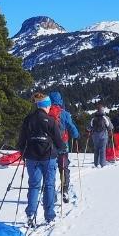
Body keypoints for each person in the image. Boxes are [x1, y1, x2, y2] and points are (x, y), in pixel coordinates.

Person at [17, 92, 64, 227]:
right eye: (49, 105)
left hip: (31, 157)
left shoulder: (28, 119)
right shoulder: (50, 121)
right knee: (49, 185)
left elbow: (21, 139)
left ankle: (30, 214)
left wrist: (22, 151)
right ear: (46, 105)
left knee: (34, 185)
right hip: (48, 157)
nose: (50, 108)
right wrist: (62, 149)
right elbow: (59, 141)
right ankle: (49, 216)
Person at [49, 91, 79, 203]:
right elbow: (71, 128)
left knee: (50, 170)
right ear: (60, 101)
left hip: (49, 147)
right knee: (63, 168)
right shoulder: (65, 114)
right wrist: (76, 135)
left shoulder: (46, 113)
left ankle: (50, 193)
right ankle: (64, 190)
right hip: (63, 145)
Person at [87, 103, 113, 168]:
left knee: (96, 149)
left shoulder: (93, 118)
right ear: (102, 110)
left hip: (95, 136)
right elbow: (110, 127)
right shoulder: (105, 117)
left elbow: (88, 128)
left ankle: (96, 163)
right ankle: (102, 164)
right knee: (102, 149)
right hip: (103, 135)